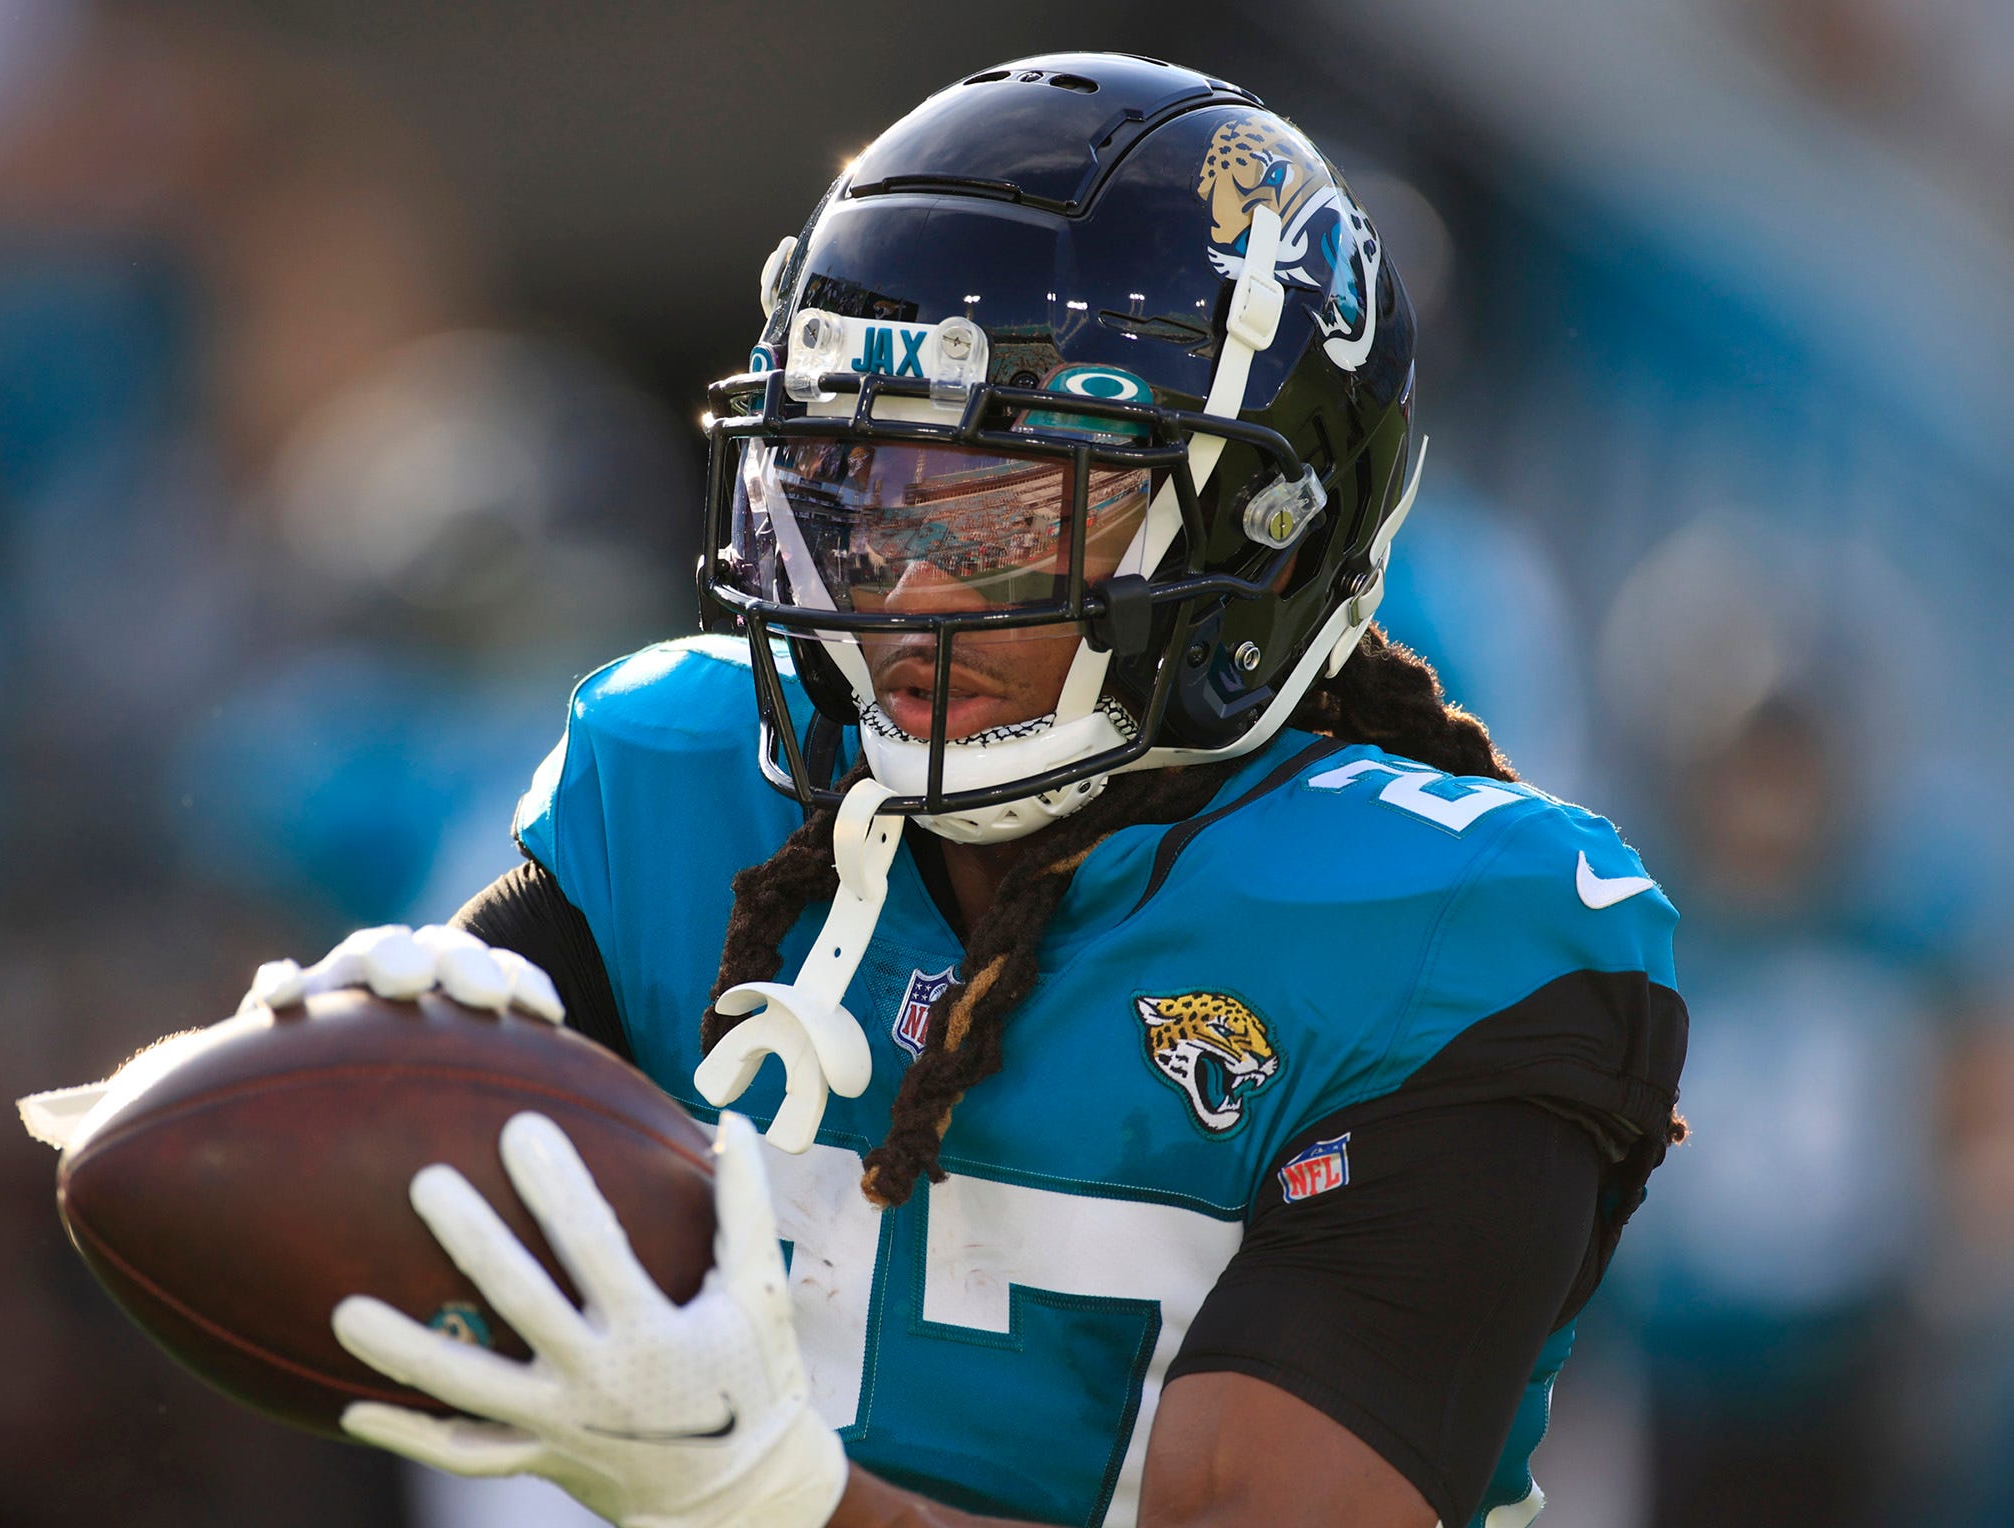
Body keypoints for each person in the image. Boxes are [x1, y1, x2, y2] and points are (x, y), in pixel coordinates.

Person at [246, 54, 1688, 1528]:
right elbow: (317, 1201)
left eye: (1004, 514)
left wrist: (773, 1496)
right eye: (856, 495)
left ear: (1259, 534)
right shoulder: (687, 783)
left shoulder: (1456, 945)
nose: (904, 587)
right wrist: (320, 1100)